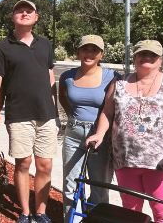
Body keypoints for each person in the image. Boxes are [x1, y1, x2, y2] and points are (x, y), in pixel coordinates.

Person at [84, 40, 163, 222]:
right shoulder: (119, 83)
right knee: (130, 212)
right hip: (125, 160)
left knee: (161, 211)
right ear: (134, 58)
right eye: (142, 54)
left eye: (152, 55)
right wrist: (100, 133)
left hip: (162, 162)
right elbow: (107, 112)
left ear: (160, 60)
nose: (147, 58)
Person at [0, 0, 56, 223]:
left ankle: (41, 212)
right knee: (23, 164)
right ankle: (25, 212)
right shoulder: (3, 48)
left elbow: (50, 76)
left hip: (46, 115)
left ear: (36, 16)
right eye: (19, 11)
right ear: (13, 17)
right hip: (19, 114)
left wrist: (54, 107)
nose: (24, 13)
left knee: (45, 165)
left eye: (29, 10)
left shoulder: (45, 45)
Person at [57, 35, 119, 215]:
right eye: (85, 49)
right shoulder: (68, 76)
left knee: (99, 186)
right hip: (73, 134)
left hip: (100, 136)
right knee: (70, 183)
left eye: (94, 50)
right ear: (78, 52)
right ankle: (71, 219)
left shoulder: (112, 77)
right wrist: (72, 116)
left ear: (101, 54)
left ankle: (94, 219)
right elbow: (62, 97)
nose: (89, 53)